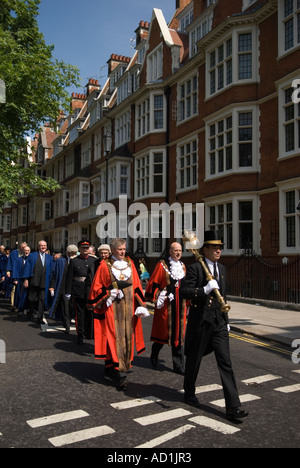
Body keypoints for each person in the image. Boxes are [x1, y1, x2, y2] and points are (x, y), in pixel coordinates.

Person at [180, 230, 249, 421]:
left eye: (220, 247)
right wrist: (203, 290)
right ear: (205, 249)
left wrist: (226, 322)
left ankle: (233, 407)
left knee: (225, 362)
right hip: (202, 322)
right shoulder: (195, 268)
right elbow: (184, 292)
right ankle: (189, 392)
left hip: (219, 323)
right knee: (194, 360)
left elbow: (223, 298)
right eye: (214, 247)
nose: (218, 250)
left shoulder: (223, 269)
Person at [87, 238, 148, 391]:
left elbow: (137, 286)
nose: (122, 252)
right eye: (120, 249)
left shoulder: (130, 264)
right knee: (113, 337)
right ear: (113, 250)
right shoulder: (104, 266)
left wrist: (140, 305)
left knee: (126, 337)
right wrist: (109, 294)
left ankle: (111, 366)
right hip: (111, 309)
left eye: (124, 249)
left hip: (128, 310)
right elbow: (96, 288)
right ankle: (120, 372)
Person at [145, 242, 187, 375]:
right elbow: (154, 282)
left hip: (180, 304)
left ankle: (178, 365)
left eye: (180, 250)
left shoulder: (183, 266)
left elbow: (186, 285)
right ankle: (155, 353)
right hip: (166, 304)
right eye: (175, 250)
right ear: (170, 251)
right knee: (163, 332)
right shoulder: (162, 265)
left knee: (179, 335)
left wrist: (189, 302)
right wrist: (159, 294)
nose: (178, 253)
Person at [65, 240, 96, 344]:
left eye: (87, 248)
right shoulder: (74, 261)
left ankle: (89, 332)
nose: (85, 250)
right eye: (83, 248)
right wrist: (68, 291)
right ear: (79, 249)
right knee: (80, 314)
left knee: (90, 313)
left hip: (90, 290)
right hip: (78, 290)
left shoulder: (93, 261)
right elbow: (69, 277)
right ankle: (80, 334)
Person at [22, 240, 54, 324]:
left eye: (44, 245)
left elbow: (51, 271)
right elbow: (27, 267)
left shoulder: (49, 258)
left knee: (42, 300)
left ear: (46, 247)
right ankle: (30, 313)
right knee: (32, 299)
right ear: (38, 247)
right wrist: (26, 279)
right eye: (41, 245)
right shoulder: (32, 256)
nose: (43, 247)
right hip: (34, 281)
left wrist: (51, 284)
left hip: (45, 282)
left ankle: (39, 317)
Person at [49, 251, 70, 333]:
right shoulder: (60, 261)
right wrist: (52, 286)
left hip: (75, 289)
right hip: (63, 288)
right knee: (65, 308)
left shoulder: (77, 261)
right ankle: (67, 325)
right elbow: (54, 274)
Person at [12, 245, 31, 318]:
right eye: (25, 250)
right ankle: (20, 310)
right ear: (23, 251)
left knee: (29, 296)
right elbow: (15, 269)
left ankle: (29, 309)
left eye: (28, 251)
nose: (26, 252)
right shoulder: (18, 260)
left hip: (29, 280)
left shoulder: (32, 260)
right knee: (20, 295)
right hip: (20, 280)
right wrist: (15, 279)